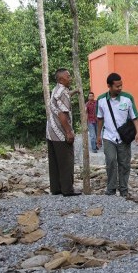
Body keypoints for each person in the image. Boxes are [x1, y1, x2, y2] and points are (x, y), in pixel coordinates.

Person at [96, 73, 138, 196]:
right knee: (110, 161)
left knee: (124, 164)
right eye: (117, 86)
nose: (120, 88)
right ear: (109, 86)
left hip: (123, 138)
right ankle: (111, 189)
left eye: (121, 85)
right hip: (108, 137)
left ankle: (123, 190)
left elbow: (135, 117)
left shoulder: (128, 98)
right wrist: (98, 136)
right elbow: (99, 119)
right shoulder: (101, 100)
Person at [46, 68, 81, 197]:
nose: (70, 78)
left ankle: (56, 189)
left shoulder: (56, 89)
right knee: (66, 161)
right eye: (68, 76)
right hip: (61, 133)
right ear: (61, 79)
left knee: (54, 162)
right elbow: (62, 114)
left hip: (51, 131)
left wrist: (74, 92)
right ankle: (67, 190)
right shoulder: (63, 92)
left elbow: (60, 100)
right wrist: (69, 132)